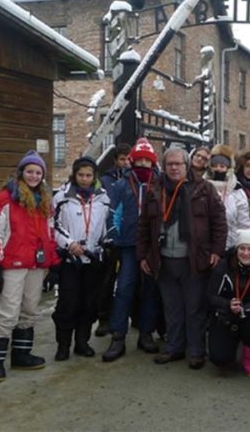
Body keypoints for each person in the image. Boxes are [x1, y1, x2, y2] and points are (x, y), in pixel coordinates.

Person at [136, 147, 228, 369]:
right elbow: (144, 226)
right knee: (172, 308)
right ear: (164, 166)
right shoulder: (155, 190)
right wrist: (142, 255)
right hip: (164, 259)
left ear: (187, 166)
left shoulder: (204, 189)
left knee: (195, 308)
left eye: (178, 164)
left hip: (194, 260)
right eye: (170, 164)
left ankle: (196, 351)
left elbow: (219, 222)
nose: (174, 168)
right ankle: (174, 347)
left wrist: (216, 251)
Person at [0, 150, 60, 382]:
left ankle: (21, 355)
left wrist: (52, 263)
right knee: (8, 312)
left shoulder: (45, 202)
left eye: (38, 172)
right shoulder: (5, 199)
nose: (34, 176)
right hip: (12, 263)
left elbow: (50, 234)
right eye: (29, 171)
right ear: (21, 173)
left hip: (36, 264)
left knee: (29, 309)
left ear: (42, 175)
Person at [102, 138, 164, 361]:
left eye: (148, 161)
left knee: (149, 289)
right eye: (140, 160)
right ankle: (118, 336)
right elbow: (112, 213)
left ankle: (145, 333)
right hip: (128, 246)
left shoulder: (159, 184)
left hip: (151, 247)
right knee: (124, 289)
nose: (144, 164)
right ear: (132, 160)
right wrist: (116, 238)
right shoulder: (121, 185)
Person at [51, 156, 112, 361]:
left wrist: (102, 246)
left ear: (94, 176)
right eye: (81, 175)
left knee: (89, 303)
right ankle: (63, 345)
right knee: (68, 303)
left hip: (93, 260)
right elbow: (53, 225)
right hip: (71, 260)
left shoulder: (103, 197)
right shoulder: (62, 197)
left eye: (89, 175)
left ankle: (82, 342)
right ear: (74, 175)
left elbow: (108, 225)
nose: (85, 179)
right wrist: (69, 244)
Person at [207, 229, 250, 377]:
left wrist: (245, 309)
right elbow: (211, 295)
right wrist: (227, 304)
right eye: (242, 248)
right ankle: (232, 349)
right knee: (220, 359)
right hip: (226, 314)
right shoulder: (224, 265)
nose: (245, 253)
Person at [95, 142, 132, 337]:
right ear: (116, 160)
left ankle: (134, 315)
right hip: (111, 236)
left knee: (131, 280)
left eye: (128, 158)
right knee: (107, 279)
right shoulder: (106, 180)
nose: (126, 162)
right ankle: (104, 318)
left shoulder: (136, 179)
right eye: (122, 159)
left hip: (130, 235)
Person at [206, 144, 250, 249]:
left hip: (231, 246)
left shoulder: (237, 191)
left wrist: (243, 246)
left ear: (228, 168)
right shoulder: (202, 187)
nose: (218, 169)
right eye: (215, 165)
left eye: (222, 166)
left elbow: (243, 223)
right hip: (207, 247)